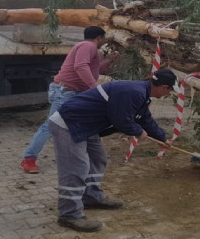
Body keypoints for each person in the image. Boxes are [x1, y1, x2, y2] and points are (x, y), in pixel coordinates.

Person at [48, 68, 177, 232]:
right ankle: (69, 214)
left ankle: (91, 196)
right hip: (69, 124)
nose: (168, 94)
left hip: (87, 126)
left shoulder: (141, 95)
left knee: (98, 158)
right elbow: (121, 119)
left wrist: (162, 139)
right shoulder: (134, 92)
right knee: (76, 169)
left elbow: (145, 119)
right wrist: (138, 132)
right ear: (165, 87)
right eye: (170, 90)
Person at [20, 25, 117, 173]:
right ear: (99, 38)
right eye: (103, 39)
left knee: (80, 124)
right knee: (51, 126)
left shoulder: (88, 48)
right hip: (66, 92)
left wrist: (109, 61)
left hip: (73, 92)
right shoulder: (88, 46)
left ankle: (82, 155)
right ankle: (29, 159)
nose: (104, 42)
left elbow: (93, 70)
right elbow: (80, 67)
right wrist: (94, 87)